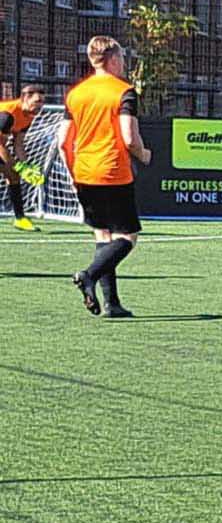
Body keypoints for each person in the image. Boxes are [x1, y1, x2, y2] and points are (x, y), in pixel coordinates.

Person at [59, 38, 151, 318]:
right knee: (127, 237)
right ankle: (89, 275)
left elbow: (63, 141)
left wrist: (73, 171)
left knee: (103, 235)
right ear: (112, 59)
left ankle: (112, 304)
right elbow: (128, 137)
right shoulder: (123, 91)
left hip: (84, 172)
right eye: (122, 58)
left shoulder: (76, 93)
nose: (124, 63)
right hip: (113, 172)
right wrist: (143, 154)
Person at [0, 84, 46, 231]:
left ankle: (20, 218)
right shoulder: (7, 115)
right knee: (13, 172)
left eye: (40, 104)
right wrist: (18, 167)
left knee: (13, 176)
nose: (38, 108)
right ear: (24, 98)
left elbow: (18, 144)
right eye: (35, 103)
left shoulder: (29, 116)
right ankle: (20, 217)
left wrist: (26, 166)